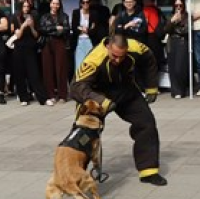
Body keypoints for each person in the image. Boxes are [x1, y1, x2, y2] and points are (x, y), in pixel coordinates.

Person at [71, 32, 166, 186]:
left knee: (146, 123)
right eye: (114, 56)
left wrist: (151, 87)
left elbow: (149, 59)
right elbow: (76, 87)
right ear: (108, 46)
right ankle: (74, 173)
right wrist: (102, 101)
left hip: (125, 90)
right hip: (96, 95)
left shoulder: (135, 47)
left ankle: (149, 171)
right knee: (84, 134)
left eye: (122, 56)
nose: (118, 60)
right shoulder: (94, 60)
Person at [10, 0, 47, 106]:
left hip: (31, 48)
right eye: (24, 6)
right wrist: (24, 25)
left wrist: (31, 27)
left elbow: (36, 35)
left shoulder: (34, 16)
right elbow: (18, 35)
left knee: (34, 73)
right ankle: (23, 98)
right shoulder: (15, 17)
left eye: (28, 6)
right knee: (20, 74)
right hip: (19, 48)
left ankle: (42, 98)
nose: (26, 8)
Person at [40, 0, 71, 104]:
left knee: (61, 68)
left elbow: (66, 29)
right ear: (50, 4)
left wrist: (55, 30)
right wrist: (55, 28)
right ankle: (51, 94)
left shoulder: (64, 16)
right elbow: (43, 29)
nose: (55, 6)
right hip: (47, 43)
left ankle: (63, 95)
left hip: (60, 43)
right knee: (48, 69)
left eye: (57, 4)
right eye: (53, 3)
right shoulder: (45, 16)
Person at [166, 0, 190, 98]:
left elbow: (185, 30)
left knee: (180, 67)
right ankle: (175, 91)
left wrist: (179, 21)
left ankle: (181, 90)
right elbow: (166, 30)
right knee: (172, 67)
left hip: (182, 42)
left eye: (180, 5)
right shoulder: (170, 16)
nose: (178, 7)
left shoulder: (187, 16)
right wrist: (172, 21)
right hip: (172, 42)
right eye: (176, 5)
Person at [71, 0, 95, 73]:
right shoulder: (76, 12)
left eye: (87, 2)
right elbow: (74, 28)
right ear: (80, 3)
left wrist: (82, 28)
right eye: (83, 2)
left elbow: (95, 30)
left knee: (90, 64)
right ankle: (79, 84)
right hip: (79, 41)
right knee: (79, 65)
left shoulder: (94, 13)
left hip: (90, 41)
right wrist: (87, 29)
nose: (85, 4)